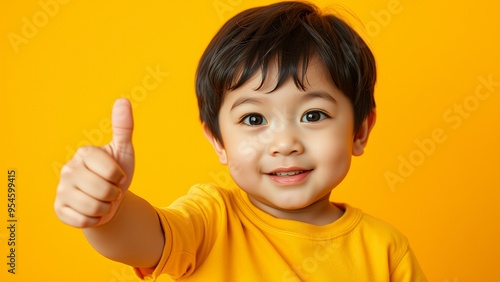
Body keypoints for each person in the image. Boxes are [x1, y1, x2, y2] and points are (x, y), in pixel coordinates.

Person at [54, 1, 427, 281]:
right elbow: (137, 238)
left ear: (359, 131)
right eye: (254, 119)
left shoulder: (386, 251)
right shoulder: (210, 221)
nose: (284, 143)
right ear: (219, 141)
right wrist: (107, 210)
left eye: (313, 115)